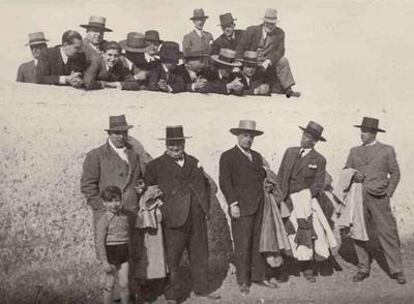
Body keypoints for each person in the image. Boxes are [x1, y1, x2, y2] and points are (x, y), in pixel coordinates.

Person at [144, 126, 220, 304]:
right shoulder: (155, 166)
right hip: (173, 220)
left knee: (200, 254)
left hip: (196, 218)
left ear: (184, 143)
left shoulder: (194, 162)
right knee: (173, 258)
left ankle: (201, 290)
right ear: (166, 144)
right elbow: (149, 191)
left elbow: (205, 186)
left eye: (178, 143)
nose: (175, 147)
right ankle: (172, 295)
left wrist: (204, 208)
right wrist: (162, 208)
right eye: (171, 144)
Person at [80, 115, 144, 284]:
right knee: (109, 264)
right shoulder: (96, 155)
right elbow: (87, 186)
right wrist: (102, 210)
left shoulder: (134, 154)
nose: (120, 136)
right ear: (109, 133)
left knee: (129, 258)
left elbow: (140, 178)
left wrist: (140, 188)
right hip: (108, 218)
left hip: (130, 214)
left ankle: (129, 297)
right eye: (116, 133)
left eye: (124, 132)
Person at [344, 117, 406, 284]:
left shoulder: (387, 150)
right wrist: (354, 175)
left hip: (379, 197)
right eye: (361, 131)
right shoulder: (354, 151)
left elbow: (395, 173)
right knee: (359, 232)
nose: (362, 134)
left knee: (387, 232)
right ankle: (363, 268)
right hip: (358, 197)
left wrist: (388, 193)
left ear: (373, 133)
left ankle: (396, 270)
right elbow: (346, 170)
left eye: (365, 132)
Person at [219, 120, 277, 296]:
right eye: (245, 135)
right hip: (241, 208)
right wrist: (233, 204)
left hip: (259, 206)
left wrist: (267, 184)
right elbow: (225, 182)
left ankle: (259, 276)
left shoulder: (257, 156)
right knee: (243, 244)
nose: (248, 139)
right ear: (238, 136)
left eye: (251, 136)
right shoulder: (228, 156)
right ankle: (243, 281)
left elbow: (261, 177)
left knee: (258, 242)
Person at [275, 121, 337, 283]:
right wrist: (278, 198)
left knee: (308, 233)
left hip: (305, 202)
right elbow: (281, 175)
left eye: (308, 137)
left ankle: (308, 268)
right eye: (304, 135)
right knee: (287, 232)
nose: (304, 139)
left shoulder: (319, 159)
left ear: (315, 141)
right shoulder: (290, 152)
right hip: (287, 200)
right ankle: (287, 268)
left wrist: (304, 197)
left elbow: (317, 183)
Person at [236, 8, 300, 98]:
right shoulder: (252, 30)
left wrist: (269, 60)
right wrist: (238, 63)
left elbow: (281, 51)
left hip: (267, 64)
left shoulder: (280, 33)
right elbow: (240, 47)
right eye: (268, 23)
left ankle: (288, 89)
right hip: (251, 63)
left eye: (272, 24)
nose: (270, 26)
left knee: (283, 61)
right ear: (264, 22)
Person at [96, 186, 131, 304]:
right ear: (104, 203)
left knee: (124, 283)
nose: (114, 204)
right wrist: (105, 262)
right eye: (110, 201)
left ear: (121, 200)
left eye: (117, 200)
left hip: (124, 254)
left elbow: (127, 237)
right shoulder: (104, 220)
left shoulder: (125, 217)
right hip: (111, 254)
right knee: (109, 284)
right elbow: (100, 243)